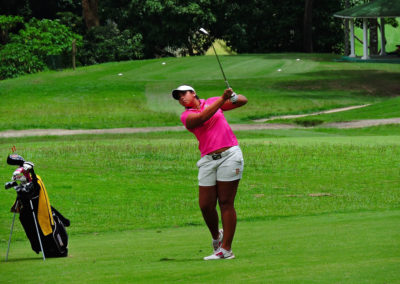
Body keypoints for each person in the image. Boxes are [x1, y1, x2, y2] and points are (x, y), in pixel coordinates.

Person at [172, 85, 248, 260]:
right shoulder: (186, 116)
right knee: (205, 205)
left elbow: (243, 101)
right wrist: (223, 99)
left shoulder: (213, 101)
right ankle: (217, 237)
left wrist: (233, 95)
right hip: (207, 160)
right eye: (178, 97)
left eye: (184, 93)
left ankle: (226, 250)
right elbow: (201, 118)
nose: (182, 98)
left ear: (194, 93)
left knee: (225, 202)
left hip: (230, 155)